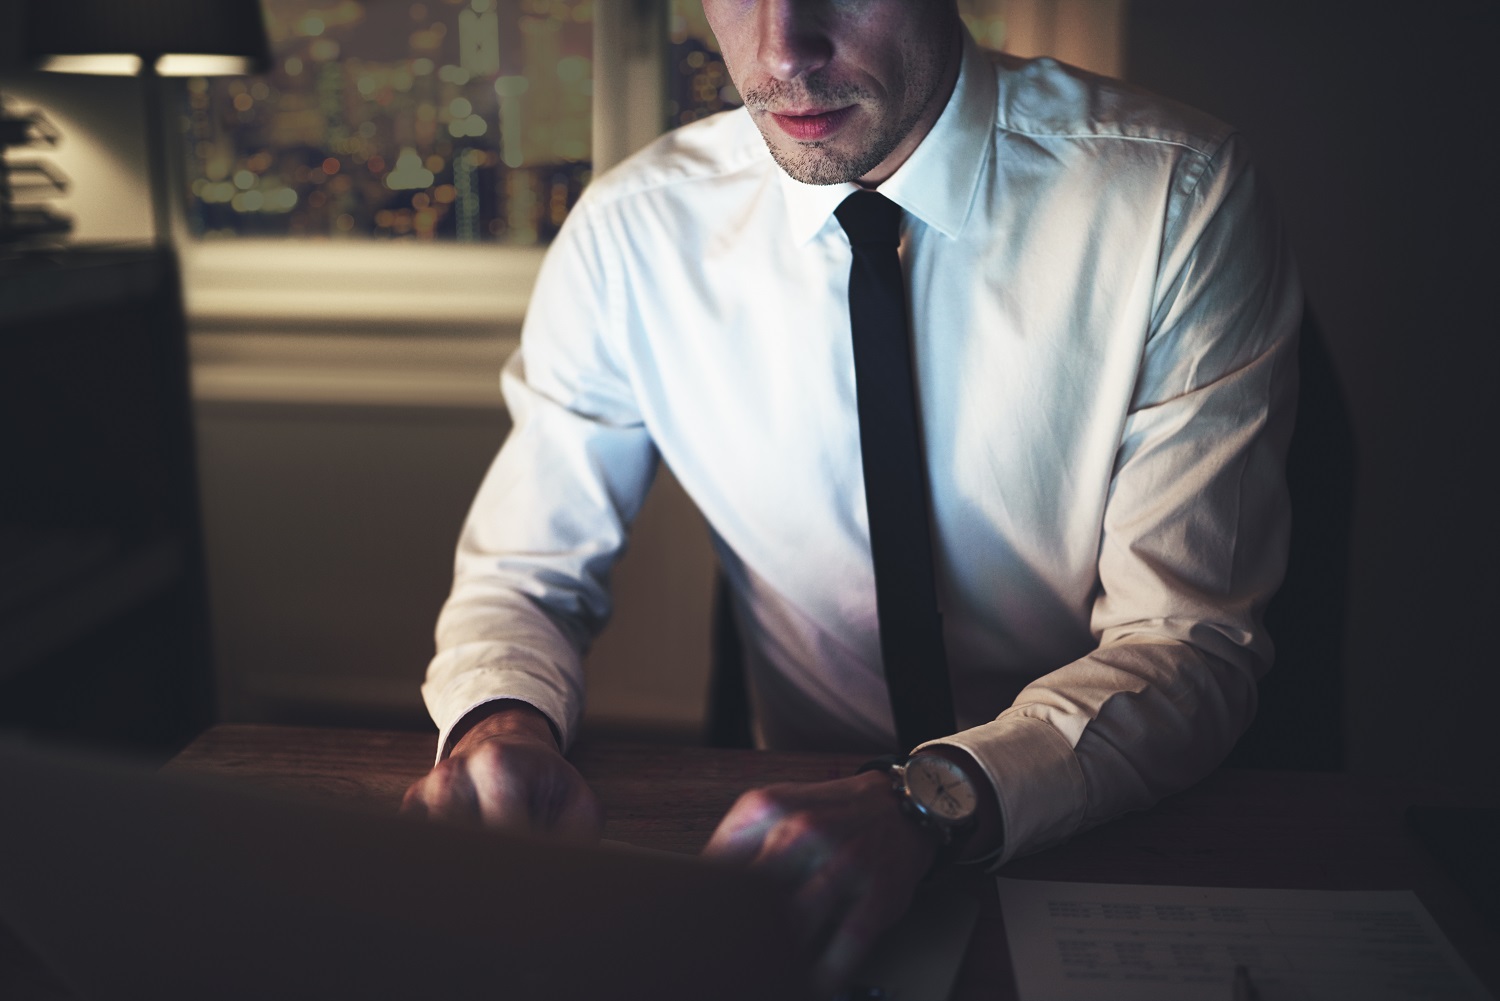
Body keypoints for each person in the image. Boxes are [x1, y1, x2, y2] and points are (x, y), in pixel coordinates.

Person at [401, 0, 1301, 990]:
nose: (786, 49)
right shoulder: (632, 232)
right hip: (782, 869)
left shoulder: (1176, 193)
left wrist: (931, 799)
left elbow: (1187, 639)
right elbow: (523, 577)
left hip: (1101, 845)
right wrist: (501, 724)